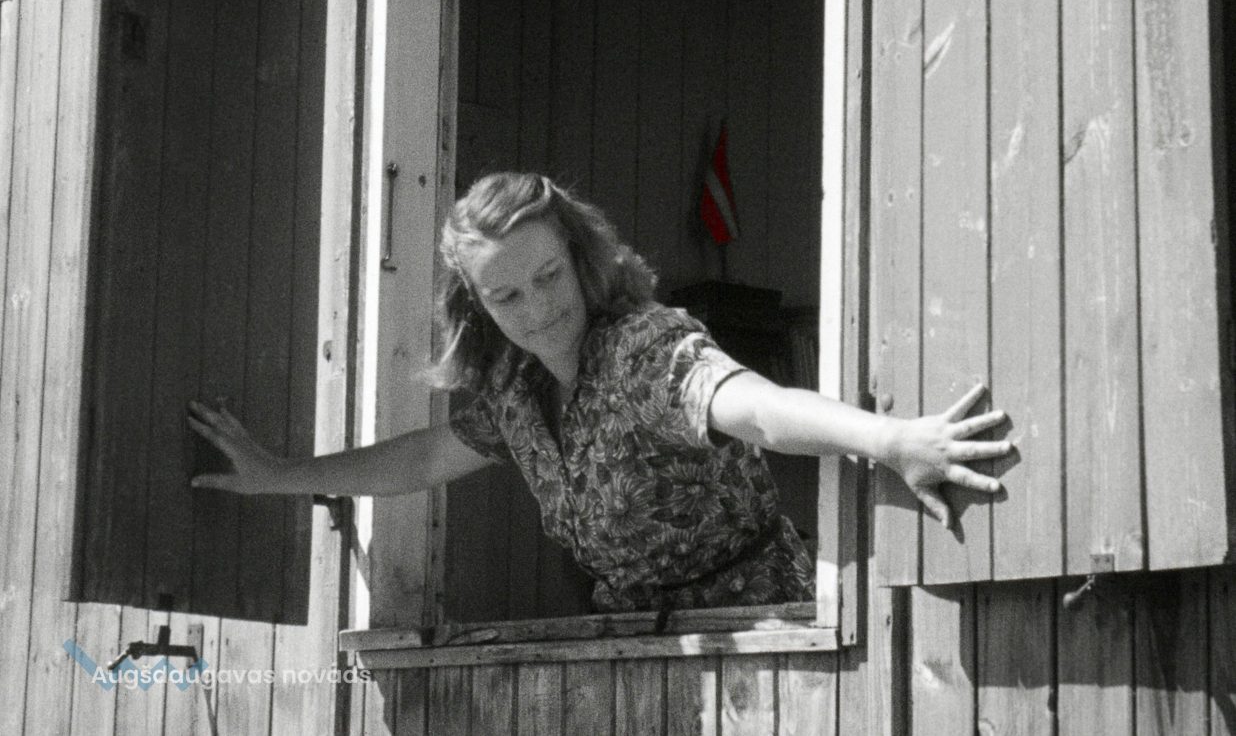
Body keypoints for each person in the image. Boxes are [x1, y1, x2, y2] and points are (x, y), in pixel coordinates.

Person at [189, 172, 1011, 614]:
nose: (538, 308)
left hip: (764, 634)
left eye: (549, 276)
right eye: (507, 297)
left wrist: (891, 441)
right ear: (478, 308)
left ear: (580, 261)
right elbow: (421, 460)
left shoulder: (643, 350)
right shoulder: (515, 395)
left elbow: (756, 405)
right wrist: (279, 475)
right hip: (635, 649)